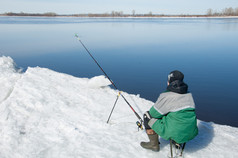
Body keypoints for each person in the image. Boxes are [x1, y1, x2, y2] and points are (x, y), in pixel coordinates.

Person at [140, 70, 198, 151]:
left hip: (175, 132)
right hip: (191, 132)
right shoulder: (188, 94)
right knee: (177, 116)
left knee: (147, 116)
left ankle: (153, 145)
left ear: (169, 82)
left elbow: (153, 113)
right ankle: (177, 141)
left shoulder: (167, 95)